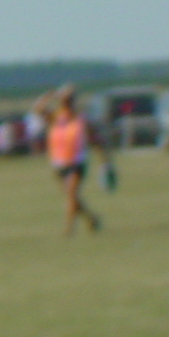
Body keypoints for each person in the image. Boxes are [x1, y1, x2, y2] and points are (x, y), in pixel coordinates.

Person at [37, 85, 102, 236]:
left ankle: (69, 229)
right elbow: (38, 109)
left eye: (68, 99)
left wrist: (104, 160)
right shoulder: (56, 117)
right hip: (59, 162)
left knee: (71, 195)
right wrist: (49, 95)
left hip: (76, 162)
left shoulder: (80, 118)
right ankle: (91, 218)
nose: (66, 101)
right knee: (72, 197)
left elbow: (94, 139)